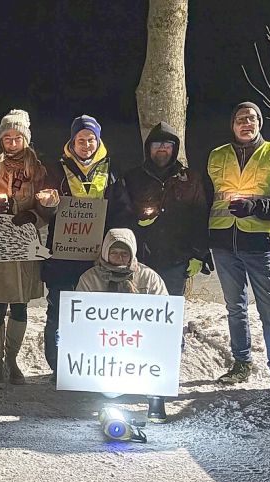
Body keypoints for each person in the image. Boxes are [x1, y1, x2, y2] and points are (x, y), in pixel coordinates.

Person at [106, 122, 212, 421]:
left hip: (176, 262)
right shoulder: (132, 178)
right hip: (139, 262)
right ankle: (131, 374)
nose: (162, 150)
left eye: (167, 145)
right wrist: (135, 227)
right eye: (156, 145)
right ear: (148, 148)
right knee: (134, 323)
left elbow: (201, 216)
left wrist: (198, 254)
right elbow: (118, 215)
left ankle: (160, 383)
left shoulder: (190, 179)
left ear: (175, 148)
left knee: (166, 323)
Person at [207, 102, 270, 395]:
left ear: (259, 123)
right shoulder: (217, 155)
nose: (246, 123)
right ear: (232, 125)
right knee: (235, 308)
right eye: (240, 119)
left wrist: (257, 206)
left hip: (260, 245)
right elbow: (204, 199)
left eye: (251, 118)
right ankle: (241, 363)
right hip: (223, 243)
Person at [0, 109, 49, 389]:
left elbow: (45, 207)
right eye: (8, 138)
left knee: (20, 304)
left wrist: (33, 216)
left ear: (26, 139)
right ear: (0, 139)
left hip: (25, 246)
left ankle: (12, 360)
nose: (13, 143)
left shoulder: (37, 170)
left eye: (18, 138)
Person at [40, 115, 115, 383]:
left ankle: (91, 362)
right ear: (72, 142)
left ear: (98, 140)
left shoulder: (109, 168)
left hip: (97, 255)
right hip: (62, 253)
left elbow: (117, 207)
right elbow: (43, 209)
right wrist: (46, 205)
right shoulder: (56, 169)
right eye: (81, 140)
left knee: (95, 313)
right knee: (59, 310)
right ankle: (58, 365)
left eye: (91, 139)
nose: (86, 145)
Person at [76, 228, 170, 415]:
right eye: (114, 253)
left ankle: (152, 394)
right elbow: (78, 319)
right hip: (103, 349)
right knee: (110, 392)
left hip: (140, 346)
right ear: (105, 252)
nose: (119, 257)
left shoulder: (149, 277)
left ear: (132, 254)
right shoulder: (90, 278)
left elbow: (165, 313)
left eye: (124, 253)